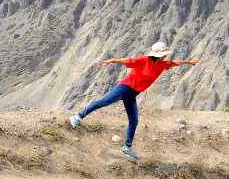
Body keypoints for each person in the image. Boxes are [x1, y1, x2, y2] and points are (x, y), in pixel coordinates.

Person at [69, 41, 199, 163]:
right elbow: (128, 60)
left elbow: (175, 62)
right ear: (159, 55)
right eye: (164, 54)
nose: (165, 56)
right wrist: (111, 60)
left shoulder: (162, 64)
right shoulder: (144, 60)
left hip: (133, 94)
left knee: (134, 120)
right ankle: (78, 116)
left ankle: (126, 147)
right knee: (103, 102)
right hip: (124, 88)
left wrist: (189, 62)